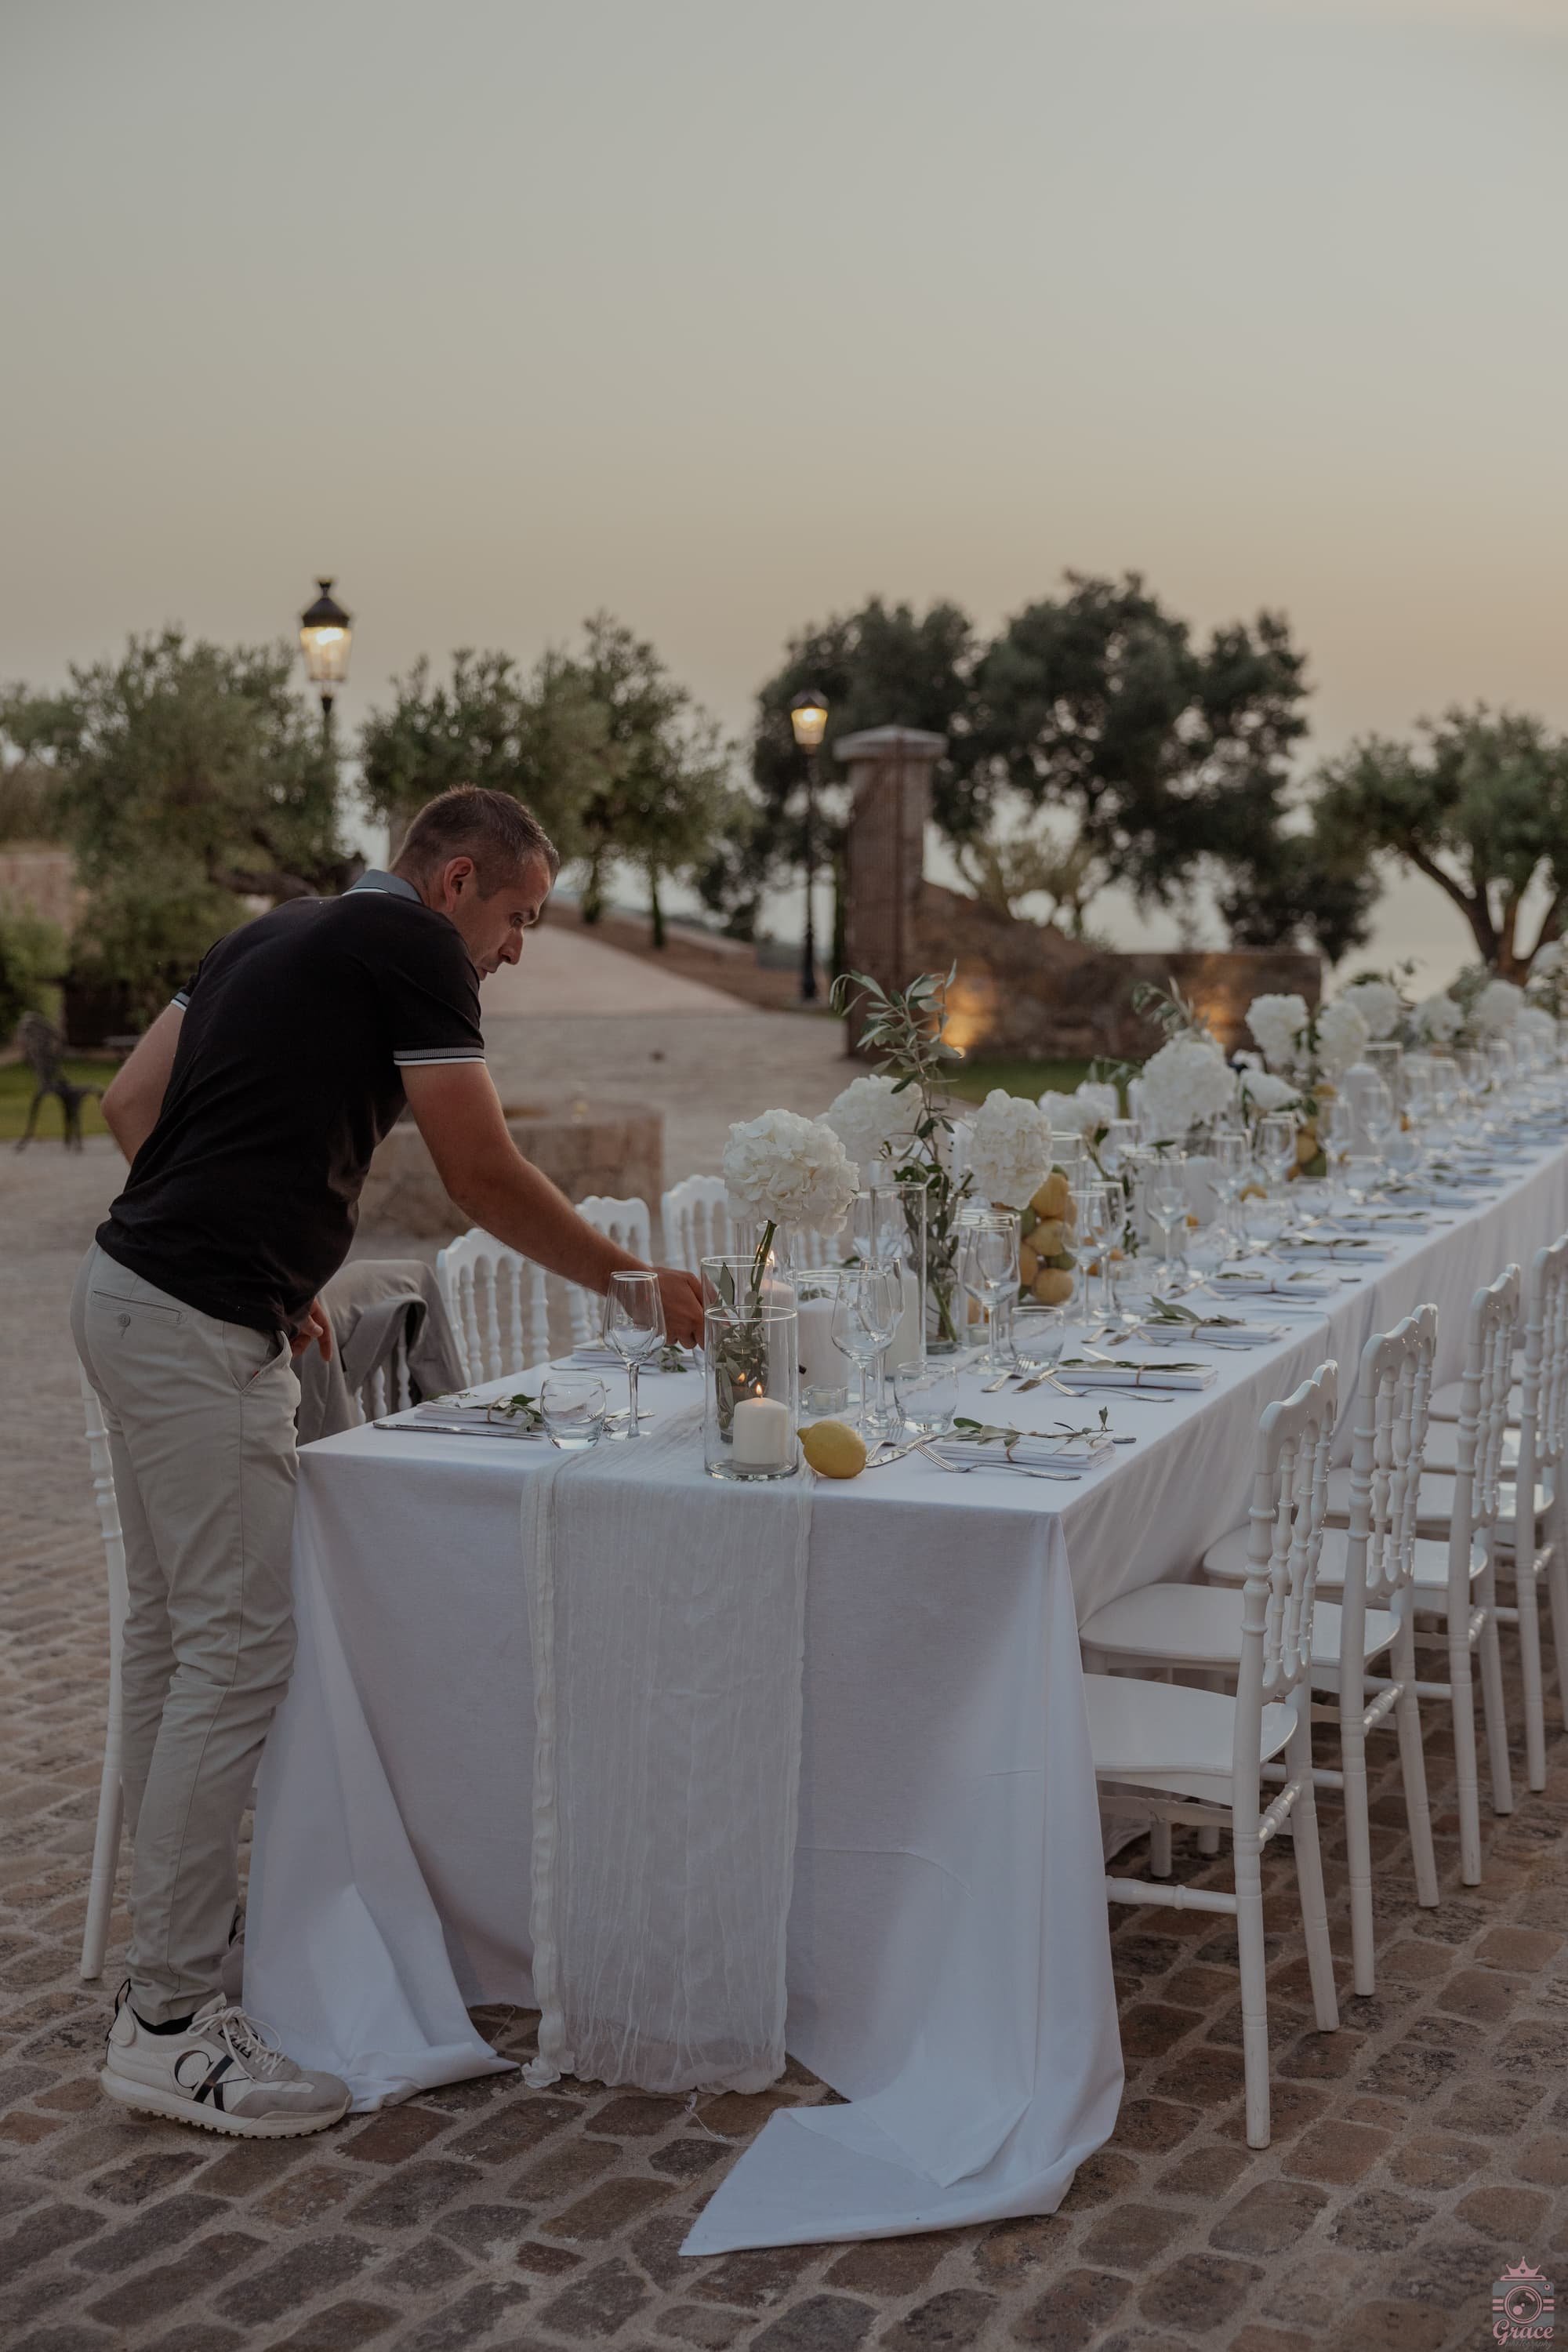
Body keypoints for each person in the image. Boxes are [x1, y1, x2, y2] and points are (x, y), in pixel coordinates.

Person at [72, 785, 704, 2137]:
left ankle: (181, 1951)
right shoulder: (414, 951)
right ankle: (170, 2019)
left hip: (128, 1296)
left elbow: (135, 1105)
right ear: (456, 882)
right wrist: (635, 1285)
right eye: (519, 918)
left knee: (183, 1646)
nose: (517, 950)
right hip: (190, 1327)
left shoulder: (276, 932)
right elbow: (479, 1172)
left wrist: (258, 1258)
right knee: (238, 1648)